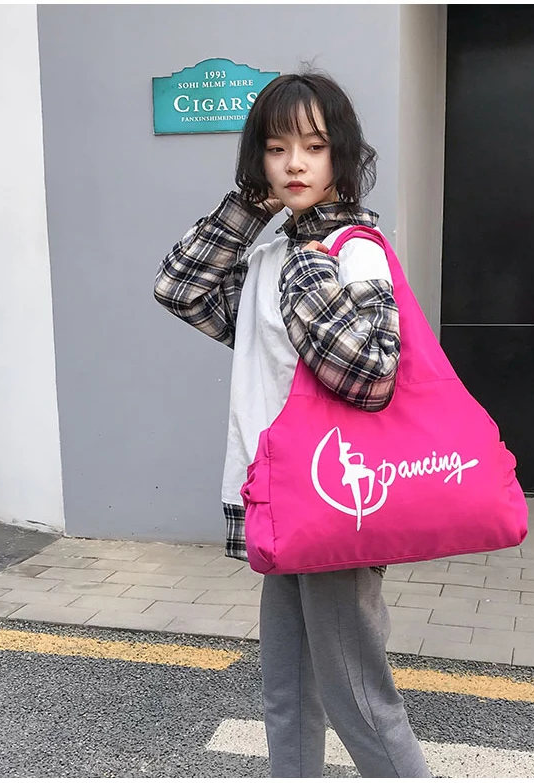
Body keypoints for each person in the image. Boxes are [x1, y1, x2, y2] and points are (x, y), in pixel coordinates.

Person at [154, 71, 431, 778]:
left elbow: (371, 374)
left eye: (313, 145)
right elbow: (180, 289)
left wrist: (308, 271)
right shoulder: (270, 251)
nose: (295, 164)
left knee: (359, 699)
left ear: (342, 152)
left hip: (333, 498)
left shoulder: (355, 251)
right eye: (276, 149)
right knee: (286, 693)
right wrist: (250, 209)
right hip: (278, 493)